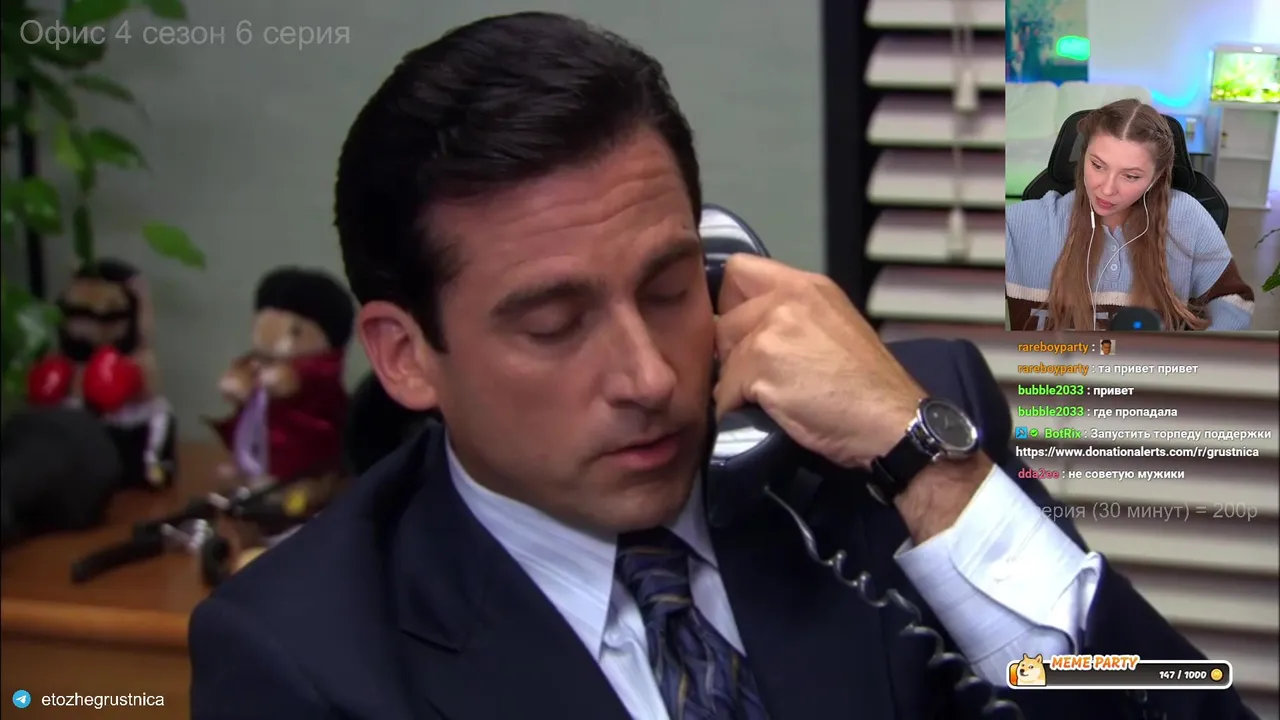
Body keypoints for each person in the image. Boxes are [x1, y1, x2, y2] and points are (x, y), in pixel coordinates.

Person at [188, 14, 1255, 720]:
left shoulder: (892, 452)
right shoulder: (302, 658)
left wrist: (933, 474)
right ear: (405, 355)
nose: (649, 376)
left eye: (667, 289)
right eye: (554, 324)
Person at [1005, 98, 1254, 332]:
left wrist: (1194, 358)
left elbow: (1234, 301)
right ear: (1083, 157)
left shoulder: (1185, 217)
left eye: (1131, 176)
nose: (1107, 189)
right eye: (1097, 165)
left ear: (1156, 177)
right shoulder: (1020, 224)